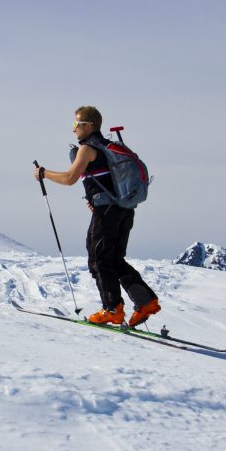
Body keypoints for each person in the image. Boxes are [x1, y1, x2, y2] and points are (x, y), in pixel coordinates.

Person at [33, 106, 160, 327]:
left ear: (88, 126)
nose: (73, 130)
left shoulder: (88, 149)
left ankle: (112, 309)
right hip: (124, 210)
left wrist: (44, 173)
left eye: (76, 124)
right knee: (113, 259)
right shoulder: (109, 148)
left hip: (107, 212)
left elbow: (70, 178)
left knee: (98, 259)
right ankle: (145, 301)